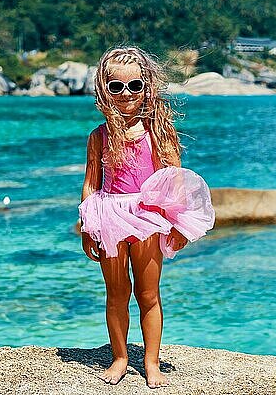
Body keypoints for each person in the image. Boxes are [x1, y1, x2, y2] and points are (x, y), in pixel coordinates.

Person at [78, 46, 215, 388]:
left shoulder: (158, 133)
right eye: (116, 87)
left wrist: (179, 224)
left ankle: (151, 361)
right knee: (116, 293)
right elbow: (91, 183)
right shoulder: (99, 136)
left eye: (134, 86)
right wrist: (87, 224)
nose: (126, 94)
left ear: (147, 89)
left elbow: (174, 180)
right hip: (109, 215)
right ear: (103, 89)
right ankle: (121, 357)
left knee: (149, 294)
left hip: (147, 217)